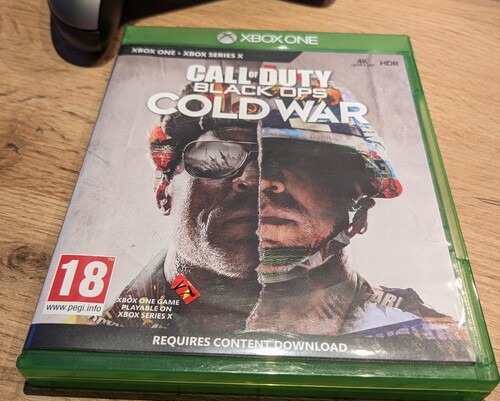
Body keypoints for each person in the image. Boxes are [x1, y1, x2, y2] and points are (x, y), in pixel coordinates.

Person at [101, 79, 467, 356]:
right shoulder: (88, 337)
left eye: (299, 160)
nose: (256, 180)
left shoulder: (436, 344)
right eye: (216, 155)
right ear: (164, 191)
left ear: (358, 214)